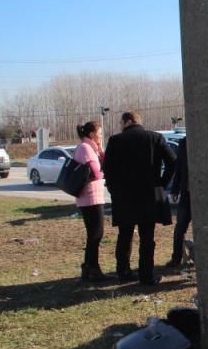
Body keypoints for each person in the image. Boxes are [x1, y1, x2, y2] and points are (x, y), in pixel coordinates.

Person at [103, 111, 176, 285]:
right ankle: (146, 275)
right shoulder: (155, 138)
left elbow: (108, 169)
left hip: (124, 196)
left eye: (121, 123)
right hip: (149, 194)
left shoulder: (115, 141)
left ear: (127, 121)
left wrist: (114, 190)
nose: (120, 126)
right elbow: (172, 161)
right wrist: (161, 183)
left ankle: (123, 272)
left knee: (125, 236)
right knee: (147, 237)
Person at [73, 121, 111, 282]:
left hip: (92, 197)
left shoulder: (91, 148)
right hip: (90, 197)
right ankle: (91, 268)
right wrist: (105, 175)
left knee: (95, 233)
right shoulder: (85, 148)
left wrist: (101, 148)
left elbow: (104, 161)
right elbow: (96, 172)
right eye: (99, 133)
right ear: (91, 134)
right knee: (96, 233)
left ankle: (90, 267)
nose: (101, 136)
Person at [167, 136, 190, 268]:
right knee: (180, 227)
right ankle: (176, 258)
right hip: (187, 193)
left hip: (205, 195)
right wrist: (175, 189)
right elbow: (179, 166)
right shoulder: (184, 142)